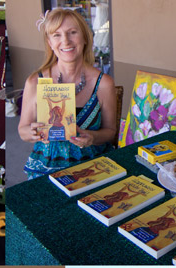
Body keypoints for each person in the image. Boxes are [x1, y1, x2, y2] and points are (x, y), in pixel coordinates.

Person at [19, 8, 117, 179]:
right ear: (49, 42)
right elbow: (22, 131)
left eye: (72, 32)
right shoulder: (35, 82)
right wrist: (33, 132)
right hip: (45, 169)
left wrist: (92, 137)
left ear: (85, 37)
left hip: (93, 167)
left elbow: (110, 131)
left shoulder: (104, 83)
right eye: (56, 35)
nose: (65, 41)